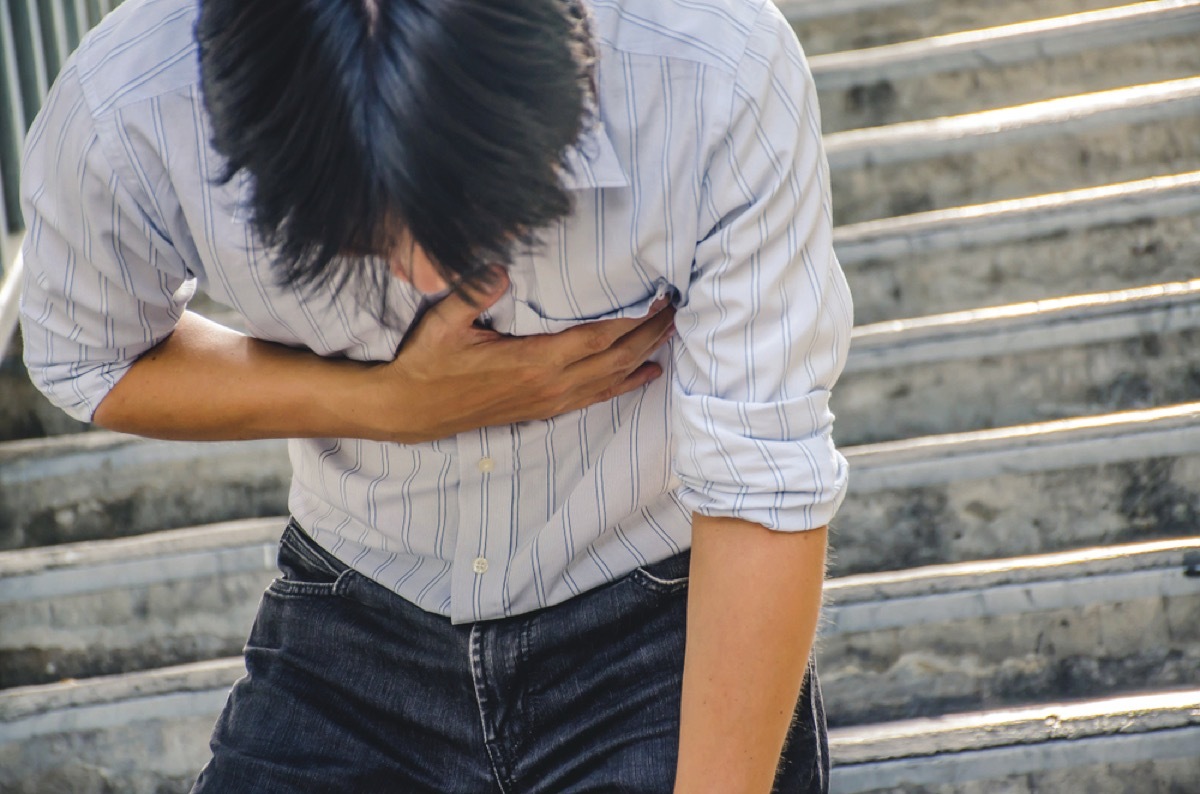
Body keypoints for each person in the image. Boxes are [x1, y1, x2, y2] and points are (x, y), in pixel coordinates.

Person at [18, 0, 853, 790]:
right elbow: (89, 358)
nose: (424, 277)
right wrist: (384, 404)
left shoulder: (709, 67)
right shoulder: (131, 104)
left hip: (663, 619)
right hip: (354, 619)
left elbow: (762, 478)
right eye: (358, 239)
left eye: (474, 223)